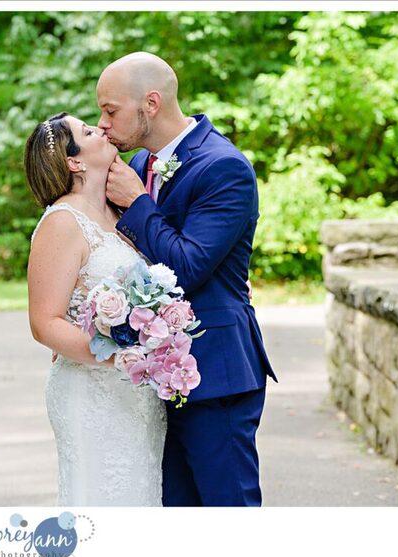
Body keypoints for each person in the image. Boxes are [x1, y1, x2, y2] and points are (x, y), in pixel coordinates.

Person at [97, 52, 278, 506]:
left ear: (151, 103)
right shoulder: (140, 166)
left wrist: (139, 203)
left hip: (216, 372)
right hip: (156, 374)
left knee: (226, 511)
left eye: (110, 110)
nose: (102, 123)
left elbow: (189, 266)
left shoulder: (224, 167)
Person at [25, 112, 166, 506]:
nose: (101, 128)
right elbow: (44, 322)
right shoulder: (62, 222)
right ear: (74, 161)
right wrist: (120, 357)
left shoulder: (121, 215)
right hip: (91, 391)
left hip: (138, 395)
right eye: (87, 131)